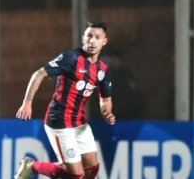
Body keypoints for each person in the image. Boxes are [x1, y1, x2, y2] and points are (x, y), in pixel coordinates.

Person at [13, 21, 116, 179]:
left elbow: (105, 99)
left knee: (92, 169)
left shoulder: (102, 69)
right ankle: (31, 165)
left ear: (104, 41)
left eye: (97, 37)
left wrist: (106, 112)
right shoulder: (71, 58)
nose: (92, 41)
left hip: (79, 121)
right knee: (75, 174)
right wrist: (27, 103)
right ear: (83, 39)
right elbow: (39, 74)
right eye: (89, 36)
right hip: (59, 120)